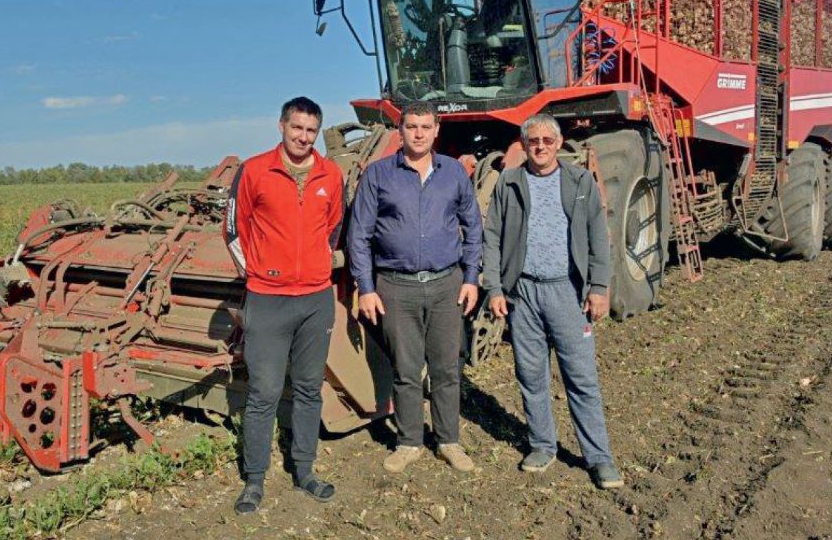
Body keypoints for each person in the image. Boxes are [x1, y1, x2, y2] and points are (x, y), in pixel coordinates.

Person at [481, 113, 624, 489]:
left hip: (567, 292)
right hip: (523, 293)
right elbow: (492, 237)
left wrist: (598, 287)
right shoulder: (509, 183)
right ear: (524, 144)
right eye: (533, 141)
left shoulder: (578, 181)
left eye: (547, 140)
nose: (540, 146)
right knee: (531, 375)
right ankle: (543, 445)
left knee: (581, 377)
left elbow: (598, 235)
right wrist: (495, 288)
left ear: (558, 144)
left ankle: (599, 458)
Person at [346, 101, 482, 473]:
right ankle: (408, 442)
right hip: (396, 286)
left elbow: (474, 229)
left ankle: (448, 440)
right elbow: (359, 235)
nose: (418, 133)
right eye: (411, 126)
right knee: (405, 369)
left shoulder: (454, 173)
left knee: (446, 368)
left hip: (446, 285)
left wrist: (471, 278)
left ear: (437, 130)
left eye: (425, 126)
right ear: (400, 131)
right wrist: (367, 286)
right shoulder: (378, 175)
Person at [226, 96, 345, 514]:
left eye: (311, 131)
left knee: (310, 388)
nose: (303, 136)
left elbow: (333, 228)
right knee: (264, 392)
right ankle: (254, 480)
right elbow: (233, 231)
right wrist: (259, 274)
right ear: (281, 126)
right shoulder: (255, 171)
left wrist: (314, 269)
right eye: (297, 128)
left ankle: (305, 470)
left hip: (315, 300)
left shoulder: (331, 174)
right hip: (268, 299)